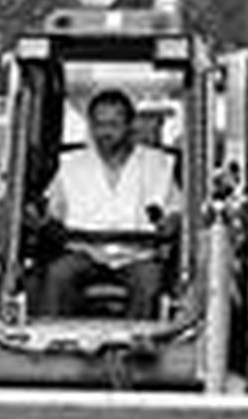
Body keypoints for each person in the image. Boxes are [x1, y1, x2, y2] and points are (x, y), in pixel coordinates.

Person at [37, 88, 181, 318]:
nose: (105, 132)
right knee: (58, 276)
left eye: (113, 125)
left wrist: (170, 222)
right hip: (85, 252)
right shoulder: (72, 165)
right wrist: (43, 219)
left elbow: (175, 212)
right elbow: (52, 212)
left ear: (130, 125)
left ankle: (138, 345)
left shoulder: (158, 165)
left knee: (150, 283)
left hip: (137, 254)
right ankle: (54, 344)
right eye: (99, 125)